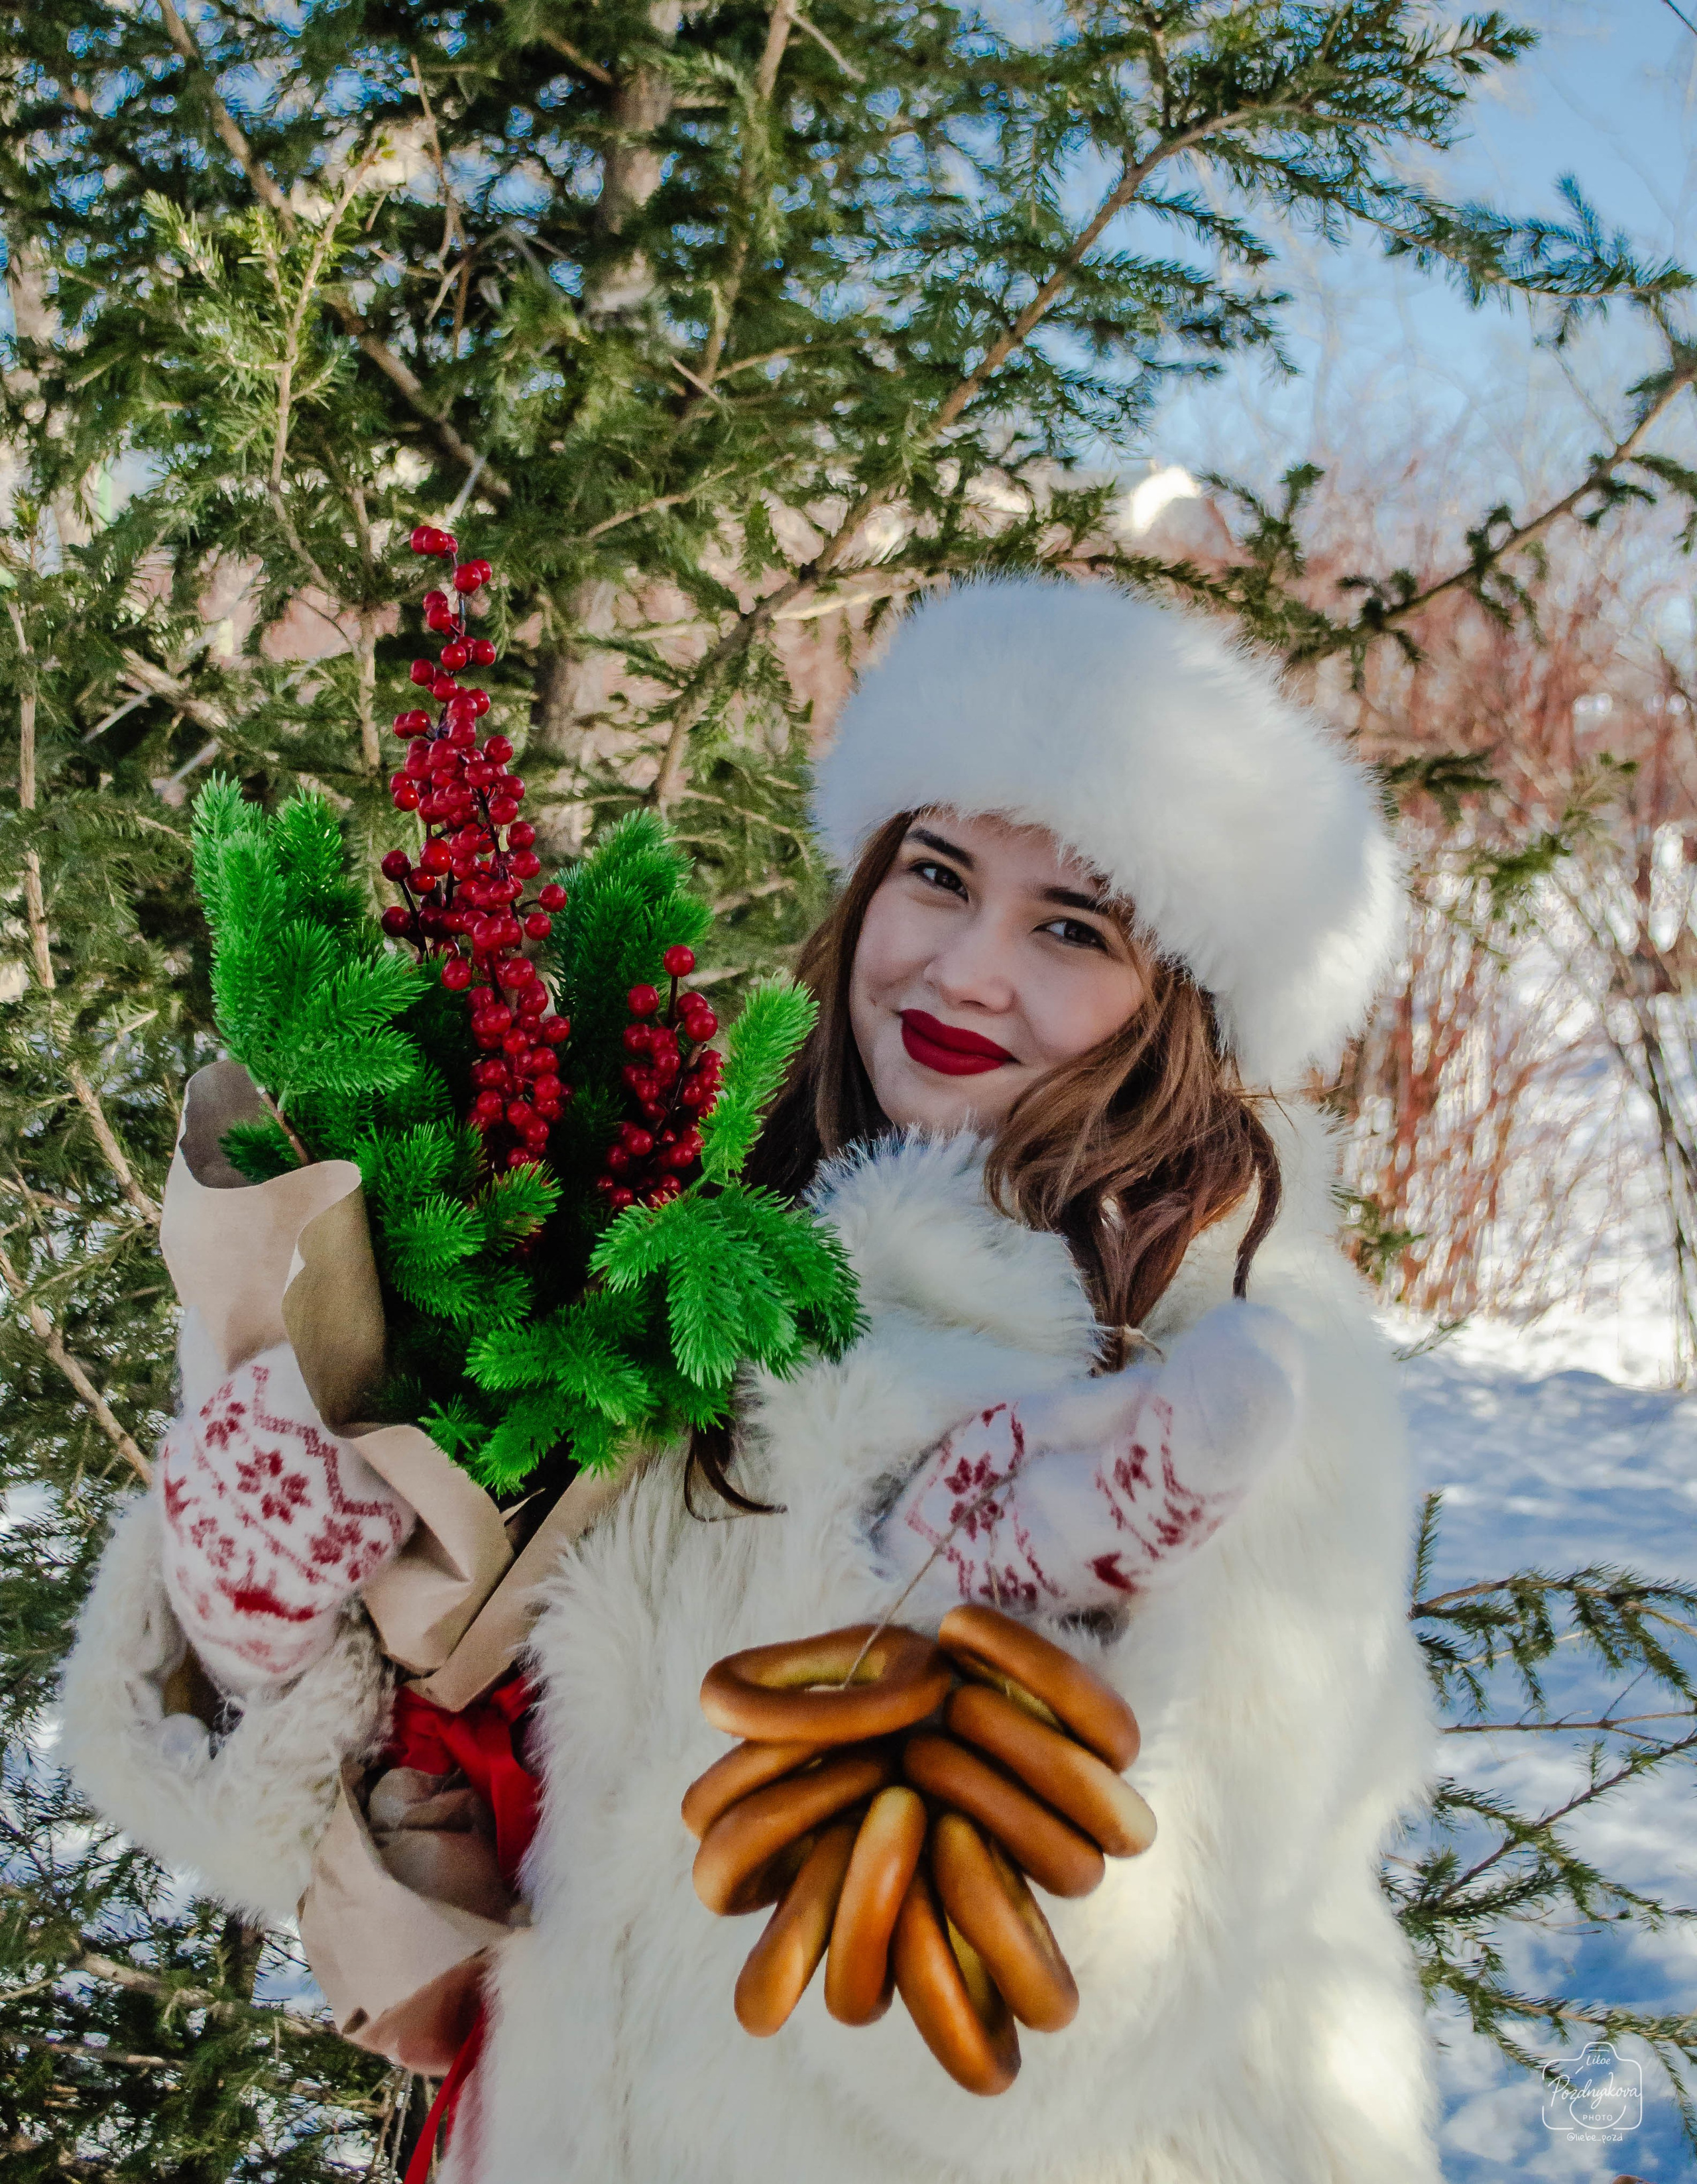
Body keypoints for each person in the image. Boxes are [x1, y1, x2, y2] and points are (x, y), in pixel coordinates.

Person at [62, 577, 1439, 2183]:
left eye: (1071, 926)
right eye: (938, 875)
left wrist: (960, 1638)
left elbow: (1059, 2040)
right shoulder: (706, 1250)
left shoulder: (1238, 1364)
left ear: (1184, 1003)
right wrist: (260, 1621)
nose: (968, 968)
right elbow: (463, 1801)